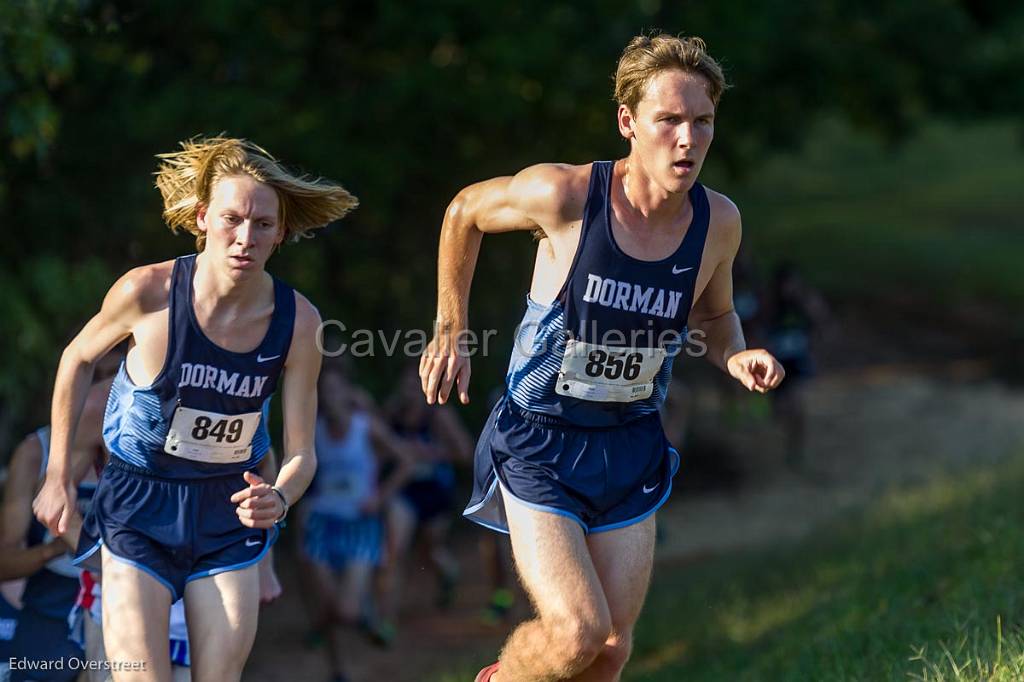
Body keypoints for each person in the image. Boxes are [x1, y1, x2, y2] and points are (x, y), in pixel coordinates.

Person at [419, 34, 785, 681]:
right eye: (669, 120)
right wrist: (451, 326)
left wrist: (736, 354)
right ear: (628, 123)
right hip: (540, 443)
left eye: (702, 122)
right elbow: (464, 212)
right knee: (575, 633)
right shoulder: (564, 197)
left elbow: (715, 314)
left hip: (631, 444)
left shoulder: (718, 222)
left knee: (611, 650)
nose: (687, 140)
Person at [32, 136, 356, 681]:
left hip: (226, 512)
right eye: (232, 220)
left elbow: (302, 453)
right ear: (203, 218)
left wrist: (279, 496)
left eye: (263, 226)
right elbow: (77, 358)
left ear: (280, 233)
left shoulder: (299, 324)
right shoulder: (149, 292)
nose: (245, 239)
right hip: (138, 507)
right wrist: (57, 475)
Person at [297, 363, 414, 682]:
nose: (330, 398)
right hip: (323, 523)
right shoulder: (311, 430)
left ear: (349, 394)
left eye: (336, 391)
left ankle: (365, 615)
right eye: (324, 392)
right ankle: (338, 670)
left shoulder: (366, 427)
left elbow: (406, 460)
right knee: (326, 605)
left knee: (345, 610)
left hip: (360, 525)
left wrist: (380, 496)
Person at [377, 365, 473, 626]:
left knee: (429, 550)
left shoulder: (439, 415)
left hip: (436, 492)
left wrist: (433, 453)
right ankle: (387, 619)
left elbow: (465, 452)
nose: (410, 393)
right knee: (395, 550)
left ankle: (447, 573)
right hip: (405, 491)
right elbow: (376, 448)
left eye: (415, 387)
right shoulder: (392, 414)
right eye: (406, 386)